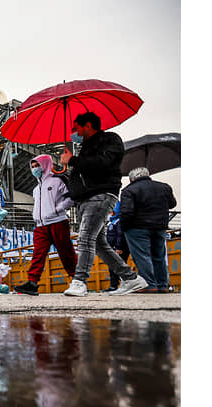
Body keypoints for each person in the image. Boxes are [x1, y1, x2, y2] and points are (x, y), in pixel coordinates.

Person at [59, 112, 147, 296]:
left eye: (76, 128)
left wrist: (74, 160)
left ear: (88, 126)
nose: (73, 132)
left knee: (85, 237)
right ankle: (131, 278)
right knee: (98, 244)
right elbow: (85, 171)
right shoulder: (85, 147)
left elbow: (103, 163)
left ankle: (79, 281)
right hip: (85, 199)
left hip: (100, 195)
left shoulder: (110, 140)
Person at [14, 154, 77, 296]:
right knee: (37, 254)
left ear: (46, 165)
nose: (35, 169)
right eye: (33, 166)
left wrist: (56, 210)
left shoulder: (58, 180)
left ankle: (77, 279)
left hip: (58, 221)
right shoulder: (36, 189)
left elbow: (71, 197)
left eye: (38, 165)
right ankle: (32, 282)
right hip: (40, 225)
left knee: (66, 252)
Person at [119, 167, 177, 293]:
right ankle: (162, 285)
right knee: (159, 256)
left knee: (142, 256)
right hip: (159, 227)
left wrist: (124, 228)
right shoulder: (164, 187)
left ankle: (149, 284)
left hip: (137, 228)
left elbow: (126, 212)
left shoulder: (129, 190)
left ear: (131, 179)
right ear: (148, 175)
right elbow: (172, 204)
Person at [105, 202, 129, 292]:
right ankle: (114, 284)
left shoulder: (118, 222)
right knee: (113, 267)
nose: (110, 214)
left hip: (118, 249)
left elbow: (120, 235)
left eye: (113, 212)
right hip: (112, 248)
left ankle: (118, 284)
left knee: (118, 266)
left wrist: (119, 247)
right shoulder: (111, 222)